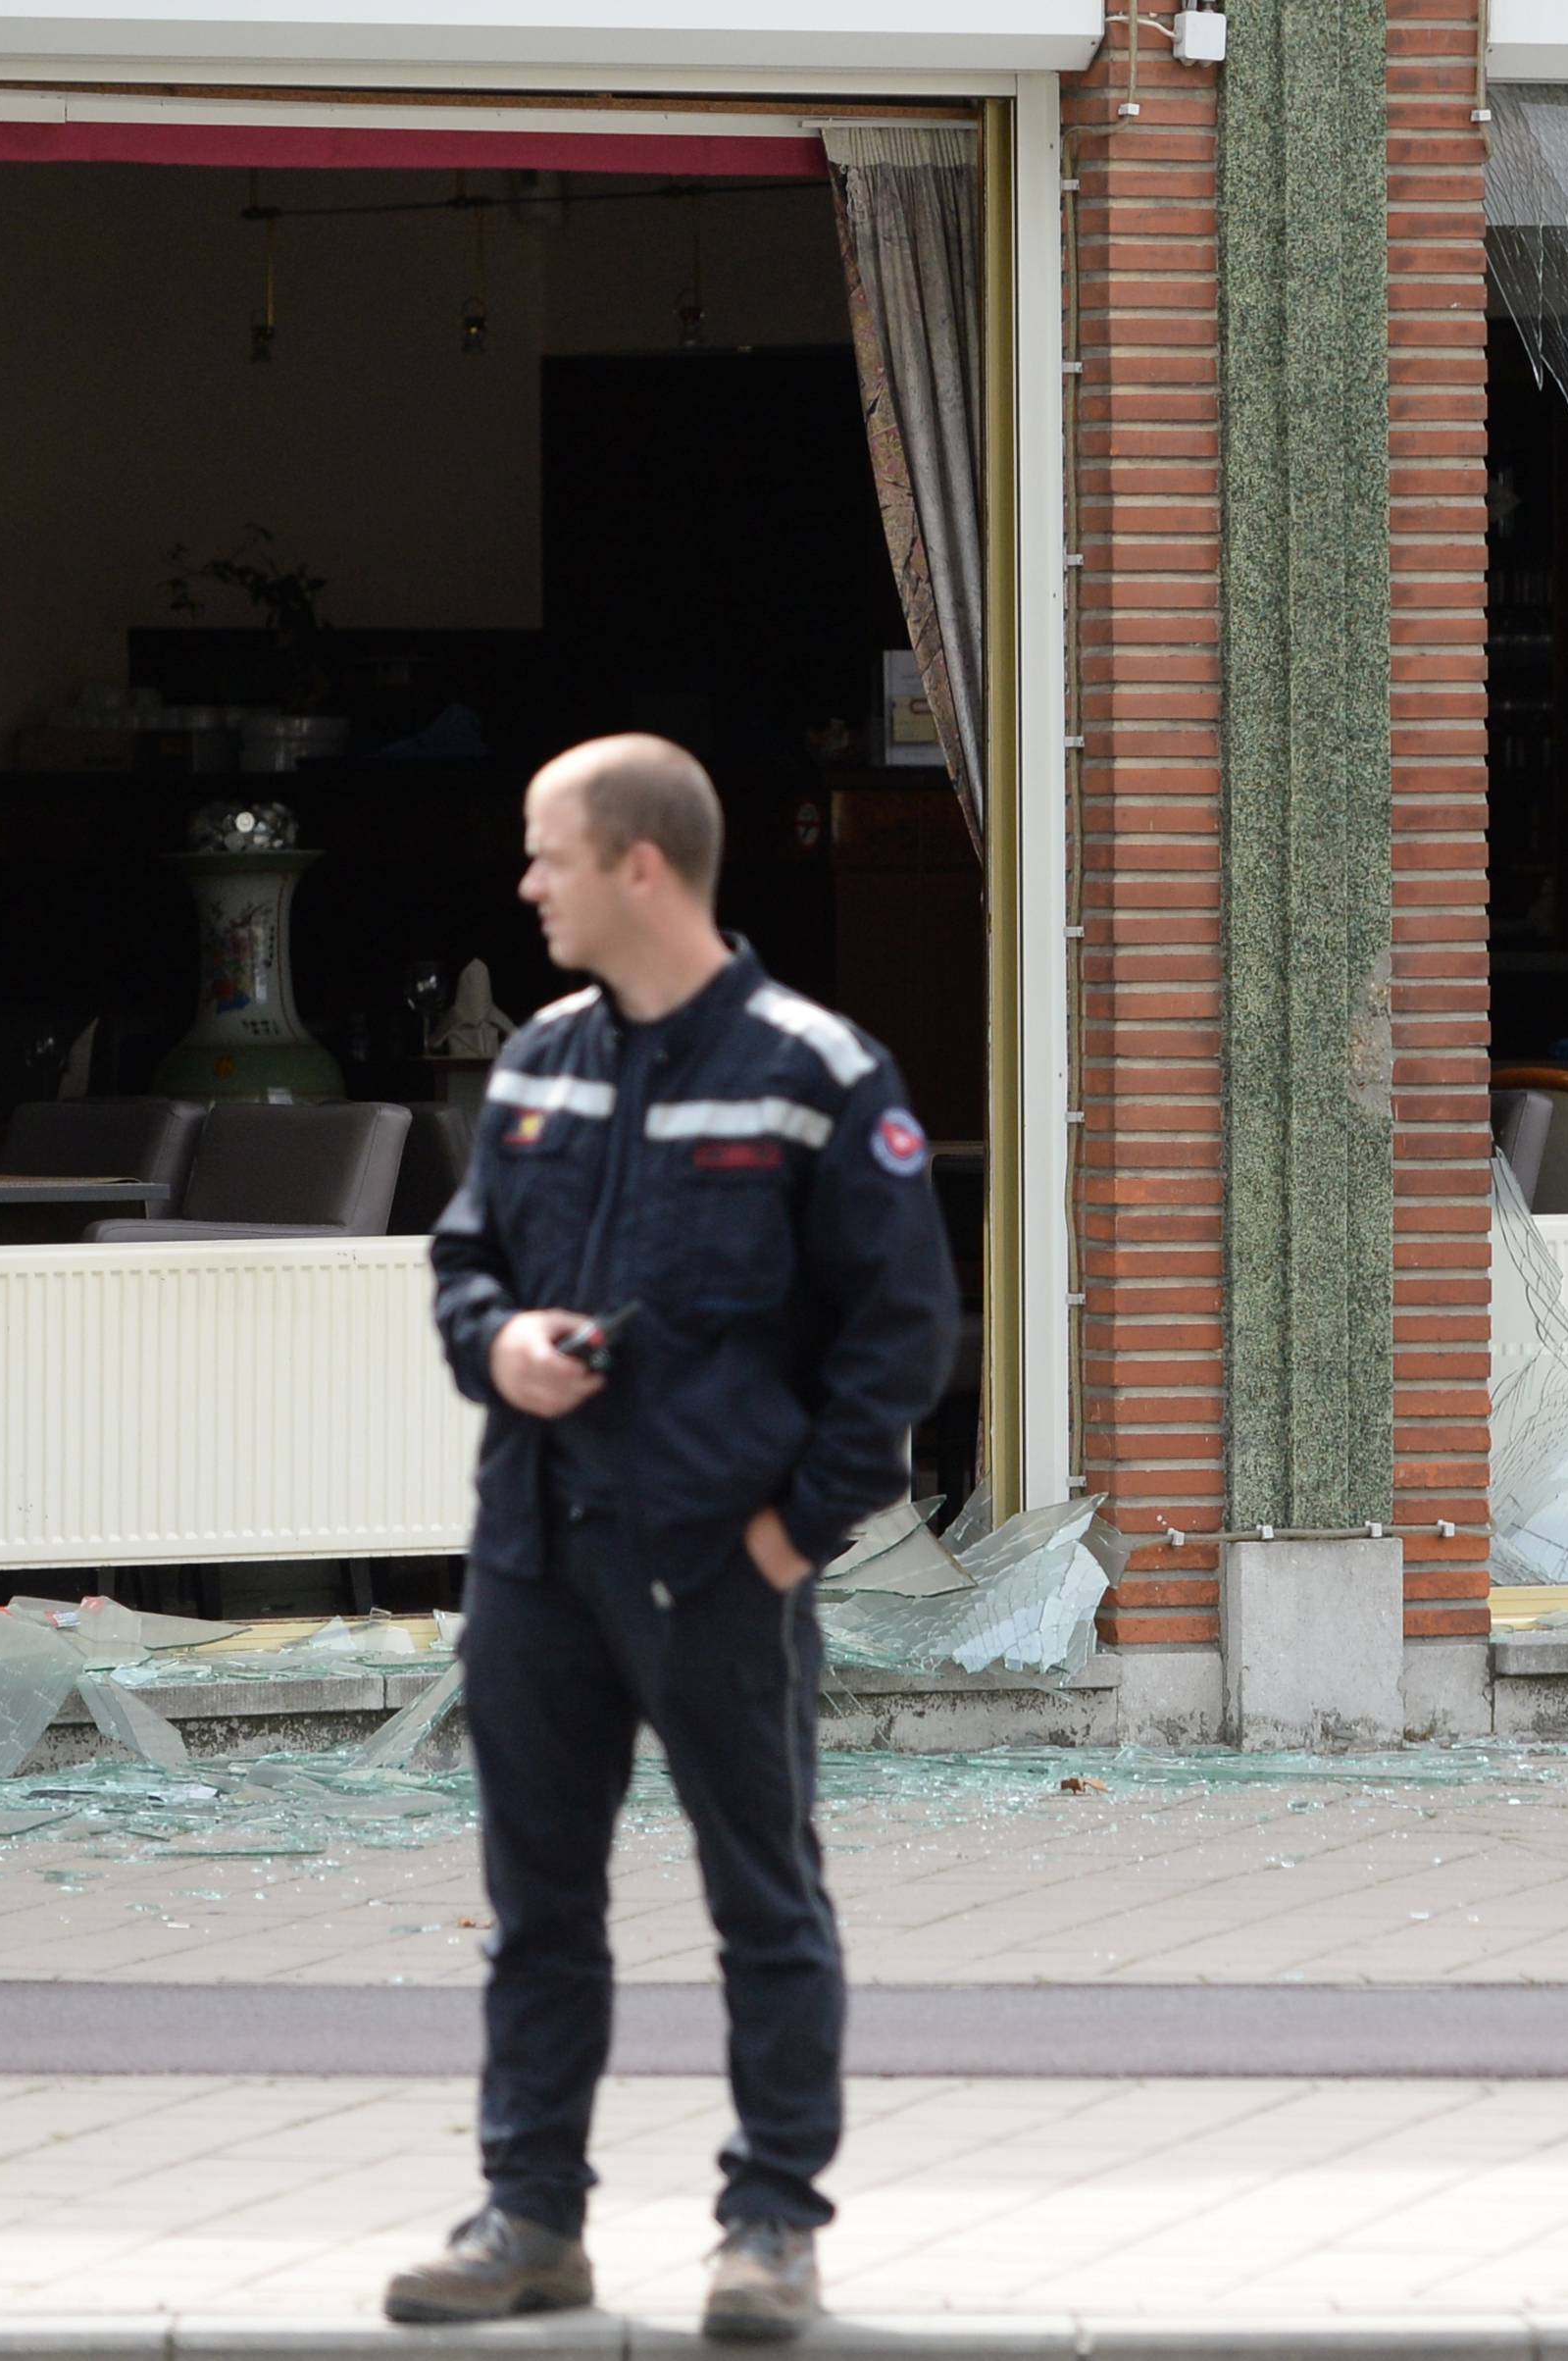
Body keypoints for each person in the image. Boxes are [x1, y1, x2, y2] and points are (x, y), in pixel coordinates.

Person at [389, 734, 958, 2341]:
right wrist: (495, 1345)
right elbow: (463, 1261)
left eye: (545, 852)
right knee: (538, 1910)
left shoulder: (813, 1071)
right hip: (537, 1559)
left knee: (764, 1906)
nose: (526, 884)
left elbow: (901, 1340)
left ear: (641, 866)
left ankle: (771, 2227)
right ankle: (530, 2221)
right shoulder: (543, 1057)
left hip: (718, 1567)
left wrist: (790, 1542)